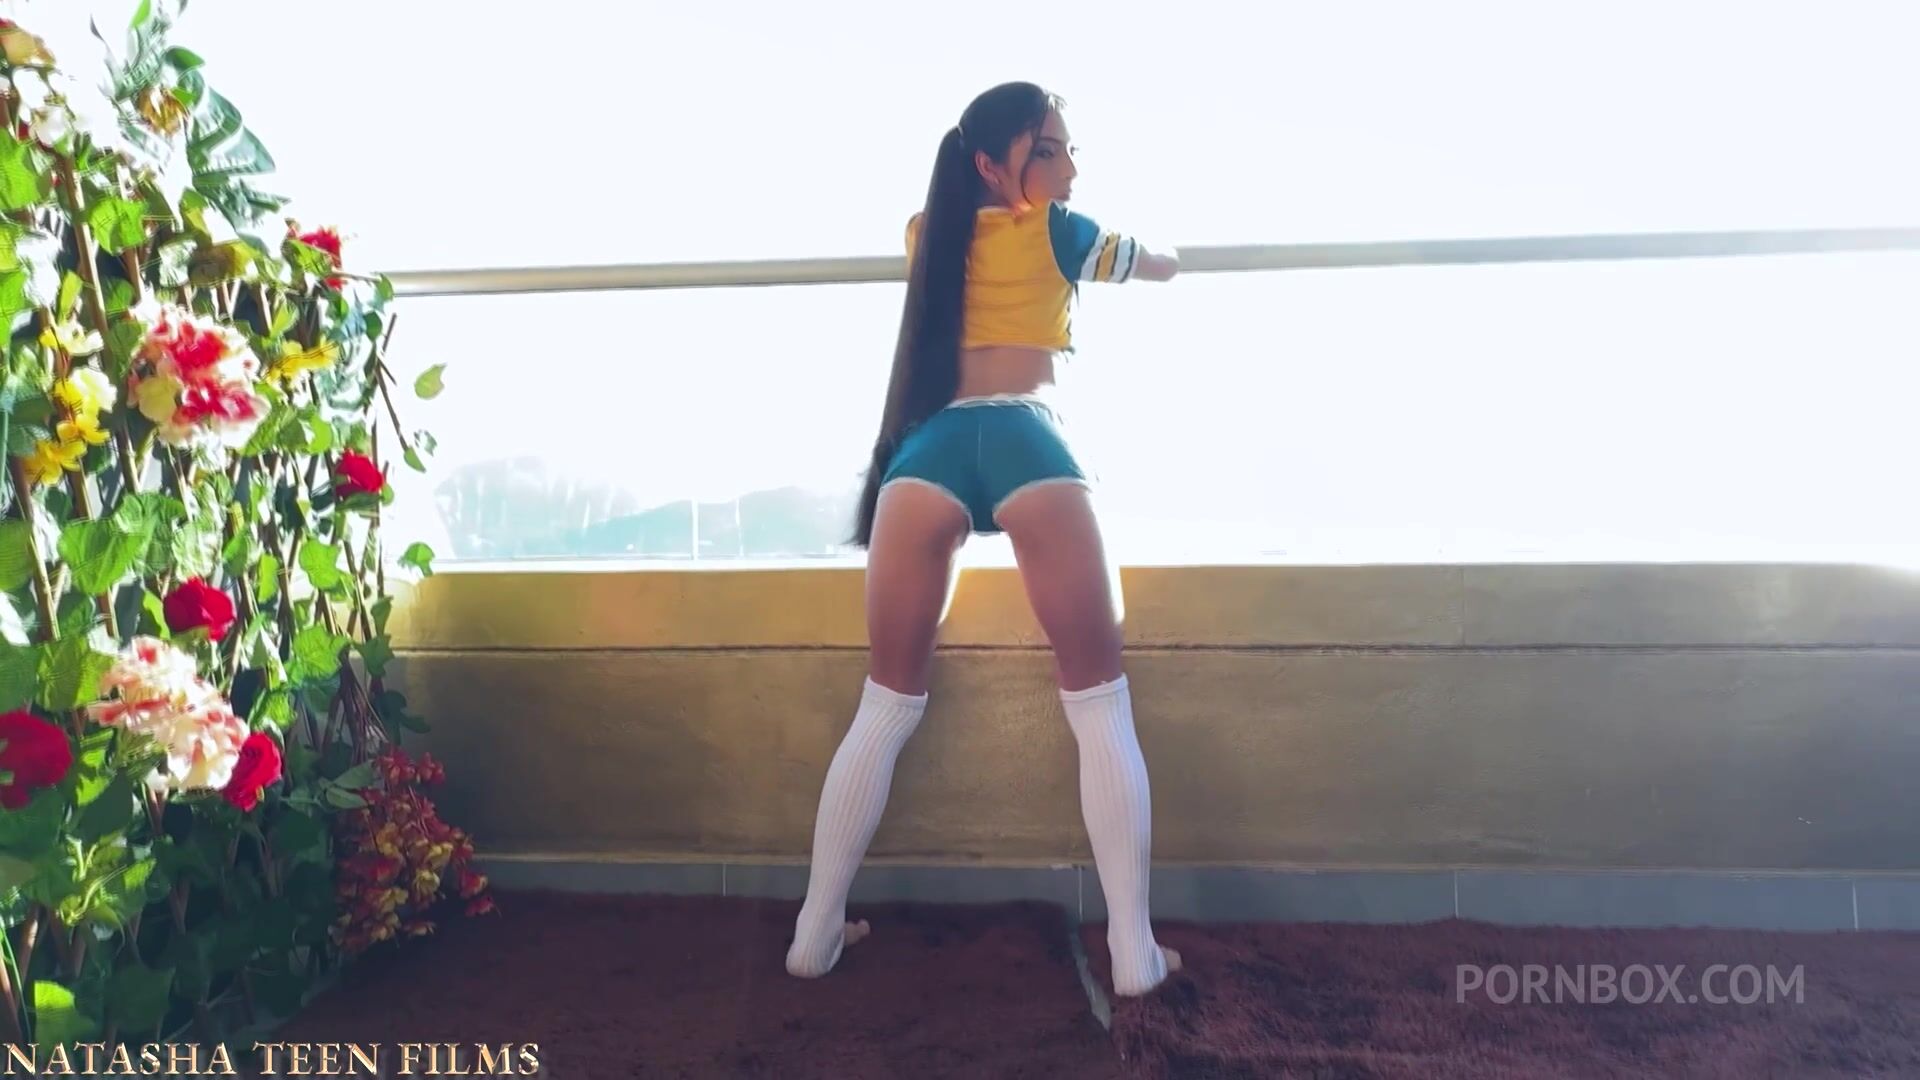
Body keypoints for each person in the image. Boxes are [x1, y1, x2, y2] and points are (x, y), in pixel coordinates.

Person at [784, 81, 1182, 998]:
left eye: (1070, 150)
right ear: (993, 164)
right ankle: (1133, 953)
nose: (1071, 168)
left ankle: (814, 933)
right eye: (1050, 150)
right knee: (1100, 704)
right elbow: (1155, 265)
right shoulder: (1063, 232)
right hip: (1029, 442)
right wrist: (1179, 257)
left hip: (925, 458)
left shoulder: (929, 232)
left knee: (885, 705)